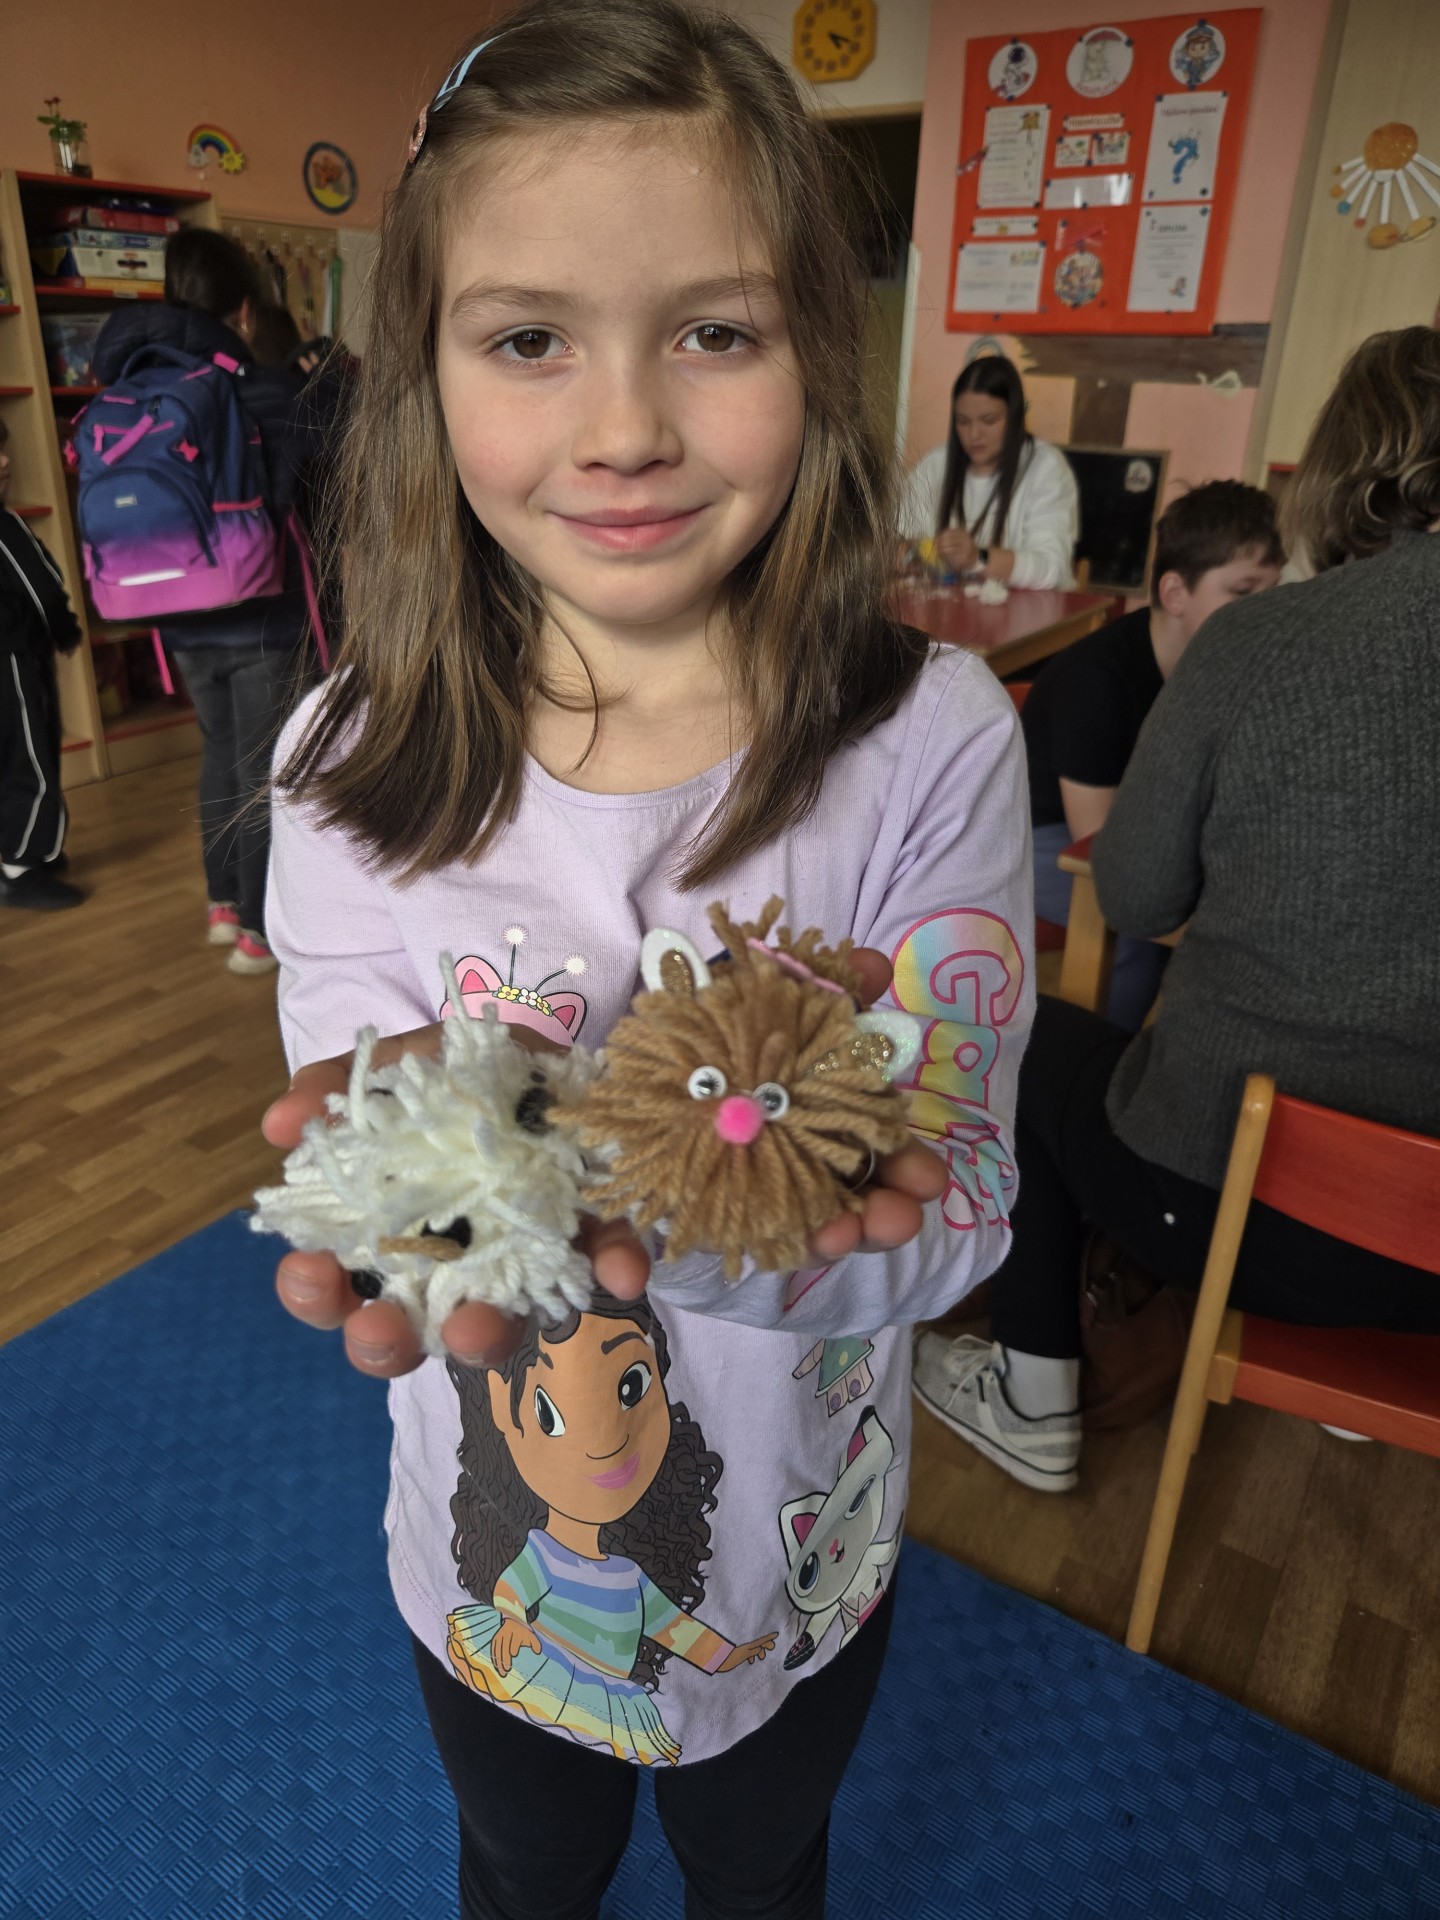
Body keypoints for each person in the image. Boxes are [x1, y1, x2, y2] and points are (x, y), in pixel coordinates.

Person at [257, 4, 1034, 1914]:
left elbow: (959, 1214)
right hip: (488, 1550)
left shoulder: (929, 742)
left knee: (763, 1870)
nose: (623, 429)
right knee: (524, 1869)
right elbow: (389, 1185)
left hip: (794, 1554)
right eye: (529, 339)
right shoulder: (346, 764)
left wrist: (704, 1224)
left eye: (716, 331)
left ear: (817, 351)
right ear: (426, 373)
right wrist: (405, 1208)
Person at [914, 325, 1440, 1494]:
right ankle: (1354, 1354)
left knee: (1022, 1043)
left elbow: (1139, 892)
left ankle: (1033, 1394)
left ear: (1342, 466)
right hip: (1425, 1258)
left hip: (1232, 1203)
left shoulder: (1259, 642)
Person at [92, 230, 336, 974]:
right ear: (245, 312)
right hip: (262, 618)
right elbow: (327, 473)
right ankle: (261, 931)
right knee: (266, 769)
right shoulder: (260, 391)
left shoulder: (132, 393)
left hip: (178, 616)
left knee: (222, 754)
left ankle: (224, 904)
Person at [1023, 481, 1285, 1029]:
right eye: (1243, 592)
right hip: (1034, 842)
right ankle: (1101, 1061)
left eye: (1273, 592)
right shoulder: (1095, 681)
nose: (1267, 613)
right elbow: (1096, 848)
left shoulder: (1226, 666)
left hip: (1137, 830)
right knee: (1139, 921)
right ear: (1174, 593)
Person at [898, 356, 1079, 588]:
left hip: (1030, 608)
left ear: (1014, 417)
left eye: (989, 420)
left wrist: (978, 558)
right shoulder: (935, 464)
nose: (974, 434)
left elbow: (1053, 568)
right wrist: (910, 553)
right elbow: (899, 541)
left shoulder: (1046, 468)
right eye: (963, 421)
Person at [0, 414, 85, 911]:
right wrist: (66, 631)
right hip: (13, 661)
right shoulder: (5, 526)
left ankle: (23, 848)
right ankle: (22, 866)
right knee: (29, 759)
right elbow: (43, 591)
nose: (5, 461)